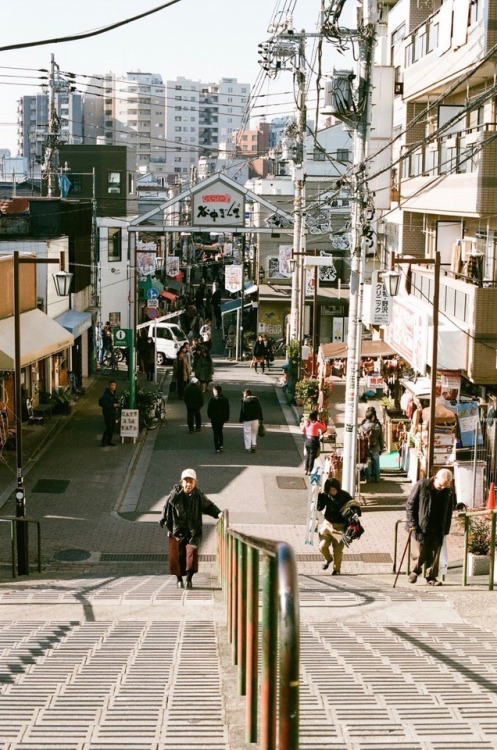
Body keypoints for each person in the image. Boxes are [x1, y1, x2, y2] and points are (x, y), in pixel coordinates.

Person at [158, 468, 222, 589]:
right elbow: (166, 508)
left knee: (191, 554)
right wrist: (164, 520)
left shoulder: (198, 495)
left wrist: (218, 513)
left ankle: (188, 579)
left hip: (192, 531)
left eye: (191, 481)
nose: (188, 484)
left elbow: (208, 506)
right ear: (181, 482)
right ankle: (179, 579)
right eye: (186, 481)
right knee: (177, 556)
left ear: (195, 483)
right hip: (176, 530)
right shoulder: (174, 495)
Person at [406, 468, 454, 586]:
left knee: (436, 554)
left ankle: (431, 577)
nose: (442, 488)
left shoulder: (448, 491)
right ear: (435, 478)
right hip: (421, 525)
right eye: (441, 485)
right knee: (421, 551)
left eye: (445, 486)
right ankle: (415, 571)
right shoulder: (422, 485)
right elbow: (410, 504)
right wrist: (412, 523)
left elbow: (449, 510)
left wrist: (446, 528)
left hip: (438, 526)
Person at [317, 477, 355, 575]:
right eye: (330, 490)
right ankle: (328, 559)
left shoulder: (344, 495)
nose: (332, 492)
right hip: (328, 525)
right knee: (322, 546)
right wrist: (319, 497)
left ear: (338, 488)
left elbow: (354, 507)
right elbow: (319, 508)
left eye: (334, 490)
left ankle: (336, 570)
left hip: (340, 527)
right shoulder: (325, 495)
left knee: (338, 551)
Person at [359, 406, 384, 482]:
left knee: (367, 463)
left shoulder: (362, 427)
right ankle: (377, 478)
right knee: (376, 463)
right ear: (373, 416)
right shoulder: (377, 426)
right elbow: (380, 438)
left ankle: (368, 478)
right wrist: (381, 447)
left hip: (365, 448)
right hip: (375, 447)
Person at [302, 410, 328, 475]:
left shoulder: (307, 422)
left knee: (308, 456)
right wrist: (322, 422)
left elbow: (302, 430)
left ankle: (306, 469)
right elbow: (324, 429)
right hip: (314, 441)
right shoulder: (316, 423)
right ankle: (309, 470)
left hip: (307, 440)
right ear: (316, 416)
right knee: (312, 456)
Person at [207, 384, 230, 453]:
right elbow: (227, 409)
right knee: (220, 431)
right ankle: (221, 445)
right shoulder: (225, 399)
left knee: (215, 432)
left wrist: (209, 416)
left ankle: (217, 447)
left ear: (216, 391)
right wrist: (227, 418)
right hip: (222, 418)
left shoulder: (212, 400)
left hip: (214, 418)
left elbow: (209, 409)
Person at [239, 388, 263, 453]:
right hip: (255, 418)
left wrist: (241, 419)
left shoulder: (244, 401)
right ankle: (253, 444)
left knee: (247, 432)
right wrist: (261, 418)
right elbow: (259, 409)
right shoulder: (256, 400)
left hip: (247, 419)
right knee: (254, 432)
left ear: (246, 394)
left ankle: (248, 447)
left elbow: (242, 411)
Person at [99, 379, 120, 447]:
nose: (113, 387)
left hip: (113, 412)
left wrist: (118, 403)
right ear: (109, 386)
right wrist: (113, 405)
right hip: (107, 412)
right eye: (112, 385)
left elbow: (116, 400)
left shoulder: (115, 393)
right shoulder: (106, 395)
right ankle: (103, 441)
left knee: (112, 427)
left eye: (114, 385)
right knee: (109, 427)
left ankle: (109, 441)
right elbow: (103, 404)